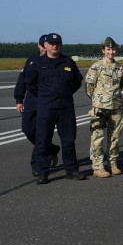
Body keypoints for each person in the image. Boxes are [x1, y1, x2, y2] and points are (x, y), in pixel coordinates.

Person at [26, 33, 84, 183]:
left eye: (57, 43)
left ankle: (72, 170)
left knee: (68, 140)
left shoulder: (68, 62)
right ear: (45, 45)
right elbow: (30, 84)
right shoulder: (37, 62)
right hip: (46, 108)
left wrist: (64, 93)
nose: (55, 46)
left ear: (61, 45)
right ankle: (42, 172)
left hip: (65, 108)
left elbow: (77, 81)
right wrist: (45, 96)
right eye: (52, 43)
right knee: (43, 140)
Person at [15, 35, 59, 175]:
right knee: (27, 129)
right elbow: (22, 80)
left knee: (42, 133)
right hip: (32, 101)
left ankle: (38, 165)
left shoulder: (55, 61)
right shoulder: (32, 61)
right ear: (39, 46)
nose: (45, 48)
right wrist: (19, 99)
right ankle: (51, 149)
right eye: (43, 46)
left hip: (47, 102)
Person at [86, 36, 123, 177]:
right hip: (100, 107)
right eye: (108, 49)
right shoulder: (96, 66)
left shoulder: (120, 67)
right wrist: (98, 100)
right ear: (103, 50)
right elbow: (90, 87)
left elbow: (122, 85)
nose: (111, 52)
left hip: (116, 106)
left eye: (113, 50)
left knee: (115, 137)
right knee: (98, 137)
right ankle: (98, 166)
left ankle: (113, 163)